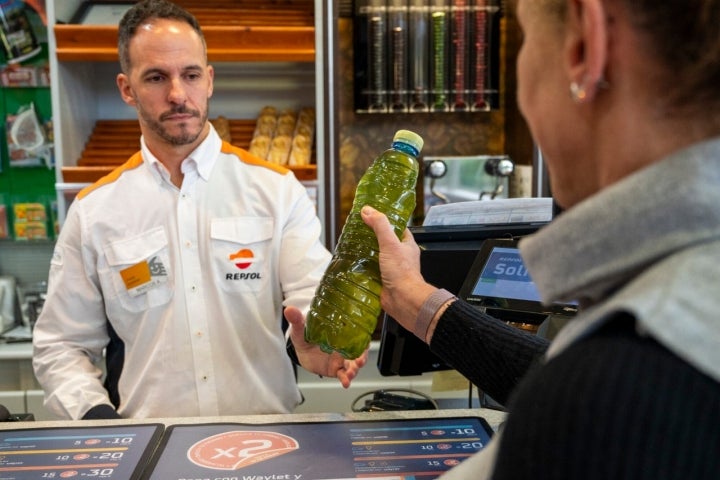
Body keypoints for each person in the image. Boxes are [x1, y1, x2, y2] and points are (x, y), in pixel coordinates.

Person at [362, 0, 720, 478]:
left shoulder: (625, 391)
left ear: (584, 45)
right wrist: (412, 296)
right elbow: (554, 368)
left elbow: (587, 394)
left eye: (527, 39)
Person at [32, 0, 365, 420]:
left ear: (208, 80)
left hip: (270, 440)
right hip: (149, 447)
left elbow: (310, 293)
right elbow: (60, 344)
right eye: (155, 77)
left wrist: (317, 345)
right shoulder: (95, 211)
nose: (176, 94)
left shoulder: (275, 190)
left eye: (189, 75)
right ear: (126, 88)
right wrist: (96, 418)